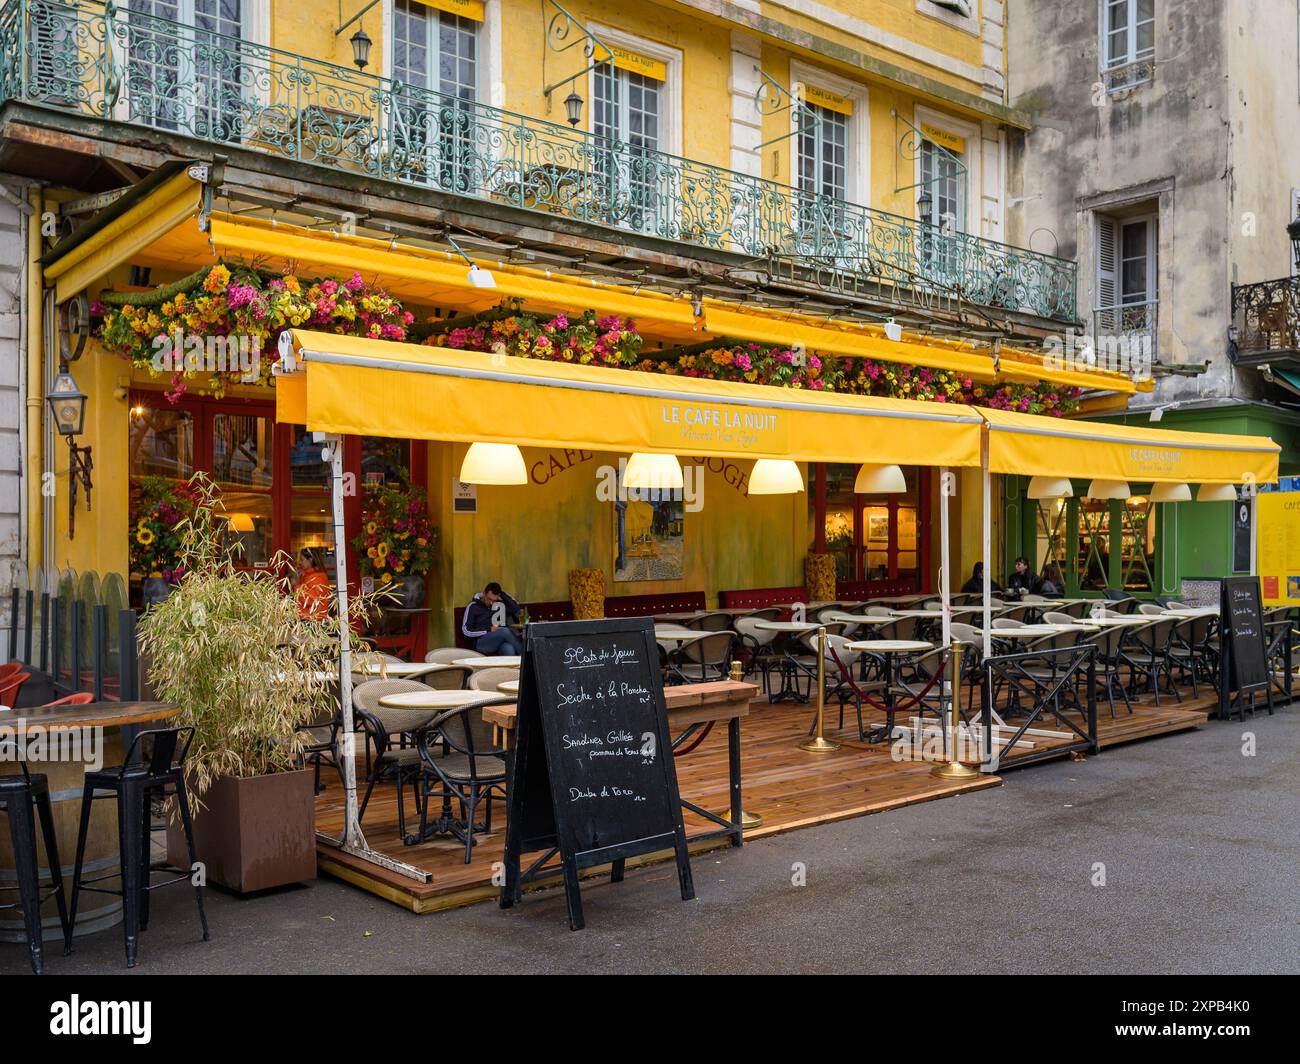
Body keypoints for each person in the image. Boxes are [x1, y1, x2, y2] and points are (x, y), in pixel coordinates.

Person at [461, 581, 523, 655]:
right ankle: (527, 656)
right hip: (481, 642)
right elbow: (466, 631)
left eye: (494, 600)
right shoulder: (473, 606)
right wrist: (488, 629)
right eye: (489, 599)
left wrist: (502, 594)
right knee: (505, 631)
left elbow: (516, 609)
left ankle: (513, 665)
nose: (491, 603)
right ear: (484, 593)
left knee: (509, 649)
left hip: (499, 640)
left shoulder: (499, 604)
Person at [294, 547, 332, 621]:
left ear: (310, 559)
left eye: (302, 560)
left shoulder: (318, 578)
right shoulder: (307, 576)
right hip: (308, 618)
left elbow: (309, 600)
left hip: (313, 621)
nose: (300, 562)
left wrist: (295, 585)